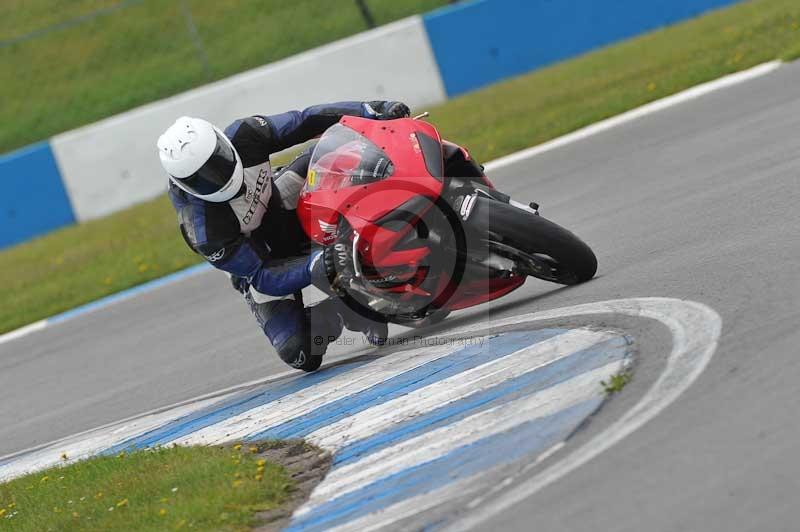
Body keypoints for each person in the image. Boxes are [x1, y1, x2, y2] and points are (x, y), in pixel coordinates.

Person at [157, 101, 410, 371]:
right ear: (183, 184)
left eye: (218, 160)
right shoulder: (205, 230)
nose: (216, 176)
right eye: (201, 178)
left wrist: (370, 110)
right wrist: (318, 263)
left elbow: (304, 121)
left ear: (221, 140)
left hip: (279, 200)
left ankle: (400, 202)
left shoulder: (246, 134)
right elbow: (263, 276)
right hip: (263, 262)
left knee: (340, 150)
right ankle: (344, 309)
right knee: (300, 352)